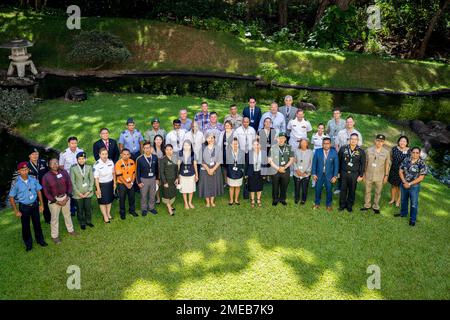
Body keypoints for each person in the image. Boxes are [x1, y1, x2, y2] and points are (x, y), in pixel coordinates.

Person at [9, 162, 47, 251]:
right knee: (25, 226)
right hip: (24, 207)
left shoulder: (33, 178)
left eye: (26, 169)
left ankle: (40, 240)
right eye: (22, 170)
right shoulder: (16, 182)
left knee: (37, 224)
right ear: (19, 171)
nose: (25, 172)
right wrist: (16, 211)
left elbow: (38, 191)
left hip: (34, 205)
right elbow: (11, 197)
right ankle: (28, 244)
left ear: (28, 170)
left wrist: (41, 204)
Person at [42, 158, 78, 244]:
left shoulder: (64, 172)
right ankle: (55, 236)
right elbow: (46, 192)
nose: (55, 165)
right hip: (54, 200)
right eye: (52, 163)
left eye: (56, 163)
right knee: (54, 219)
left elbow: (69, 184)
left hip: (65, 198)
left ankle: (71, 230)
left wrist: (67, 197)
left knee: (67, 215)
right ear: (49, 165)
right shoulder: (46, 177)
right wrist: (56, 201)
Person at [395, 147, 428, 226]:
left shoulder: (422, 163)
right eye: (413, 152)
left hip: (414, 186)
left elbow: (421, 177)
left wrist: (409, 184)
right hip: (404, 184)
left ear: (419, 154)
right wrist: (404, 182)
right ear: (411, 152)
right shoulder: (406, 160)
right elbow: (400, 171)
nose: (415, 154)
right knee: (403, 200)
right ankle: (403, 213)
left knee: (414, 203)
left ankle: (412, 219)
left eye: (417, 153)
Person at [361, 134, 391, 214]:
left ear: (383, 142)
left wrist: (386, 176)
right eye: (378, 140)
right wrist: (363, 173)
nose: (379, 142)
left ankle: (375, 206)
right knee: (367, 191)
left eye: (381, 141)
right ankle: (367, 205)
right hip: (368, 174)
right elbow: (365, 163)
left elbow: (387, 165)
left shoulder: (386, 152)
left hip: (380, 176)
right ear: (375, 140)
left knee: (378, 192)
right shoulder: (368, 150)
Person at [334, 115, 363, 195]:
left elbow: (359, 146)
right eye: (347, 122)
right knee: (340, 171)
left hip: (353, 157)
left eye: (350, 122)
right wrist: (338, 154)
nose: (349, 123)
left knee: (349, 174)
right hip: (342, 156)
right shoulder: (341, 132)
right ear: (345, 123)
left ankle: (350, 189)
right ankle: (339, 188)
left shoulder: (358, 134)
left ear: (354, 123)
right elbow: (336, 144)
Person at [338, 133, 366, 212]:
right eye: (352, 139)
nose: (353, 141)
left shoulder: (361, 151)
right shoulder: (343, 149)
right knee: (343, 189)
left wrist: (361, 175)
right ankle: (342, 205)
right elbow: (338, 161)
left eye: (355, 139)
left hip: (354, 174)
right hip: (343, 172)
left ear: (357, 141)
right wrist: (338, 172)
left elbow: (362, 164)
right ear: (349, 140)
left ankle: (349, 205)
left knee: (352, 190)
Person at [311, 138, 339, 211]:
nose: (326, 145)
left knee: (329, 190)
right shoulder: (317, 151)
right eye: (324, 143)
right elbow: (314, 163)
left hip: (329, 176)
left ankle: (329, 205)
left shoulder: (334, 152)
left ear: (330, 144)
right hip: (319, 175)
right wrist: (313, 174)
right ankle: (317, 204)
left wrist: (335, 176)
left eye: (327, 143)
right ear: (322, 144)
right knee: (318, 189)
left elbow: (336, 165)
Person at [59, 136, 83, 216]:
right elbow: (61, 167)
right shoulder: (64, 154)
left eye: (75, 143)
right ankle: (72, 208)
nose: (74, 145)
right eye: (72, 143)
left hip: (79, 175)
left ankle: (80, 207)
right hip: (68, 176)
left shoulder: (81, 151)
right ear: (68, 144)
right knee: (70, 192)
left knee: (80, 190)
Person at [268, 132, 294, 206]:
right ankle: (275, 199)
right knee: (275, 186)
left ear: (285, 139)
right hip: (275, 169)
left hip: (285, 170)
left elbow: (291, 159)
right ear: (277, 139)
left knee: (284, 185)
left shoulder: (289, 147)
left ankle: (282, 199)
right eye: (280, 138)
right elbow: (269, 160)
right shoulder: (273, 147)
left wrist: (284, 167)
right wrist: (278, 168)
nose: (281, 140)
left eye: (283, 138)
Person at [70, 152, 94, 229]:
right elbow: (72, 182)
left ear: (85, 159)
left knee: (88, 208)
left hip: (88, 192)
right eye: (79, 159)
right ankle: (82, 222)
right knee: (80, 209)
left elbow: (92, 180)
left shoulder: (89, 167)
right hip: (78, 193)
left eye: (83, 158)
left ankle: (88, 221)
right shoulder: (73, 168)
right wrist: (78, 193)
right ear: (77, 160)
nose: (81, 160)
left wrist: (89, 191)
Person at [198, 132, 224, 207]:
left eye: (212, 137)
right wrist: (208, 169)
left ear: (214, 139)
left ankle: (212, 201)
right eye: (209, 137)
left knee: (214, 184)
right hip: (205, 169)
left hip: (215, 168)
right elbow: (200, 160)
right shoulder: (202, 147)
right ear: (206, 139)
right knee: (206, 184)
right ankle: (207, 202)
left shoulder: (218, 147)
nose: (211, 139)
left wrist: (212, 169)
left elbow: (219, 160)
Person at [27, 147, 51, 223]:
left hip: (43, 187)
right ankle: (35, 219)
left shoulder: (43, 162)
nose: (35, 156)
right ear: (29, 156)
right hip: (33, 189)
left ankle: (48, 219)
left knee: (45, 203)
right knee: (35, 204)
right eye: (33, 154)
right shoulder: (26, 166)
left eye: (37, 154)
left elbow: (48, 174)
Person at [136, 142, 159, 216]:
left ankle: (151, 208)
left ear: (151, 148)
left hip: (153, 178)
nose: (147, 149)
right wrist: (139, 182)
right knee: (144, 195)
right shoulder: (139, 159)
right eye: (145, 148)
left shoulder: (155, 157)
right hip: (144, 179)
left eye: (148, 147)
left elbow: (157, 169)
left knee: (152, 194)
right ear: (143, 149)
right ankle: (144, 209)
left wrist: (157, 179)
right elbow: (137, 171)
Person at [93, 148, 116, 223]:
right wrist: (98, 189)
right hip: (101, 185)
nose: (105, 156)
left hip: (110, 183)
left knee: (109, 200)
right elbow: (96, 178)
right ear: (99, 155)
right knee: (102, 201)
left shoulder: (110, 161)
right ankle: (105, 216)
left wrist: (115, 183)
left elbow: (113, 173)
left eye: (106, 154)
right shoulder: (96, 164)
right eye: (103, 154)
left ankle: (108, 213)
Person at [115, 148, 138, 219]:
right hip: (122, 184)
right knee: (122, 198)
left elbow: (134, 173)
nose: (126, 156)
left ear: (130, 155)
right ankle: (122, 213)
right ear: (121, 155)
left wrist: (131, 183)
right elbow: (119, 176)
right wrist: (126, 184)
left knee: (132, 197)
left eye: (128, 154)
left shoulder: (132, 161)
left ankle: (132, 210)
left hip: (130, 183)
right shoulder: (118, 163)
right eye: (124, 154)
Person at [388, 136, 411, 207]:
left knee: (400, 187)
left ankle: (398, 201)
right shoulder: (394, 148)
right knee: (393, 185)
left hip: (403, 172)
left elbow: (410, 161)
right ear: (398, 141)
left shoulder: (409, 151)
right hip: (394, 170)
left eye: (404, 141)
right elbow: (391, 158)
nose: (402, 142)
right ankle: (392, 199)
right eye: (401, 141)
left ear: (407, 143)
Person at [178, 140, 198, 209]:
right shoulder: (180, 153)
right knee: (184, 189)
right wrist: (177, 175)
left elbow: (195, 165)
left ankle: (190, 202)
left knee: (191, 189)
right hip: (182, 174)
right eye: (185, 145)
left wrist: (196, 175)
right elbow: (178, 165)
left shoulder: (193, 154)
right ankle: (186, 203)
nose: (186, 147)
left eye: (188, 145)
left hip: (191, 173)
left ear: (190, 146)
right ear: (183, 146)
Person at [159, 144, 179, 216]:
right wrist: (164, 182)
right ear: (165, 150)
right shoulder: (162, 159)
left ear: (172, 150)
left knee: (172, 193)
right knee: (166, 194)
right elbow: (161, 172)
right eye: (167, 149)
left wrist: (177, 178)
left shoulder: (174, 158)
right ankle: (169, 209)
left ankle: (170, 205)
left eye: (170, 149)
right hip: (166, 180)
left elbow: (176, 169)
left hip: (173, 180)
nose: (169, 151)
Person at [293, 138, 313, 205]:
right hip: (297, 173)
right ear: (300, 143)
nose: (303, 144)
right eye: (301, 143)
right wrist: (297, 170)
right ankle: (297, 198)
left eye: (304, 143)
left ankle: (303, 200)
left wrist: (306, 172)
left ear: (307, 144)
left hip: (306, 174)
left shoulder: (310, 152)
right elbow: (294, 161)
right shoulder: (296, 151)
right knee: (297, 187)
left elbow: (311, 163)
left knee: (304, 188)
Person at [226, 138, 245, 205]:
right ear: (231, 145)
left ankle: (236, 200)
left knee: (238, 187)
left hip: (239, 171)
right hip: (231, 171)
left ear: (238, 144)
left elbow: (243, 162)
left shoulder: (242, 152)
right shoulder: (228, 152)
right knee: (231, 187)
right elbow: (226, 162)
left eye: (236, 144)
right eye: (233, 144)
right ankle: (231, 200)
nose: (235, 145)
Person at [246, 140, 264, 207]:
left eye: (257, 144)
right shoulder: (249, 153)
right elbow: (247, 164)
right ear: (252, 146)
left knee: (259, 186)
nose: (256, 146)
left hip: (260, 172)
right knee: (252, 186)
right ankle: (253, 199)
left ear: (259, 145)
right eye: (254, 145)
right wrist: (246, 174)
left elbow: (265, 164)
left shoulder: (263, 153)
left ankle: (258, 199)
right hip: (252, 172)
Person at [218, 120, 235, 185]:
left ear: (231, 126)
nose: (227, 127)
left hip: (232, 154)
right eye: (225, 125)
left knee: (231, 167)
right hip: (224, 153)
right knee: (224, 168)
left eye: (228, 125)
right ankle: (226, 182)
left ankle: (232, 180)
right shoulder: (222, 133)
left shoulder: (234, 133)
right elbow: (219, 144)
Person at [153, 134, 165, 204]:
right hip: (155, 169)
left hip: (163, 168)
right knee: (156, 184)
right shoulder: (152, 149)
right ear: (154, 141)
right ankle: (157, 198)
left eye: (160, 139)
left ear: (162, 141)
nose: (158, 141)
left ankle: (165, 197)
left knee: (162, 183)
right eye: (157, 139)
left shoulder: (164, 148)